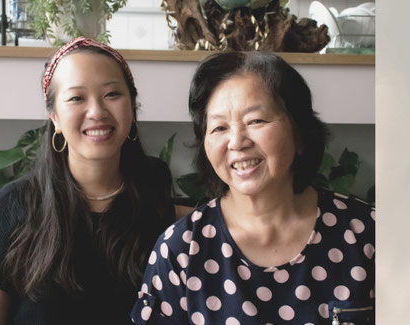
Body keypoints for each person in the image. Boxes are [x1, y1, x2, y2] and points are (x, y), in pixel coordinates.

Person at [130, 51, 375, 324]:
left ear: (300, 133)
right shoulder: (181, 250)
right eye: (219, 128)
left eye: (255, 121)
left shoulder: (367, 234)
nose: (237, 141)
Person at [0, 37, 183, 324]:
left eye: (112, 94)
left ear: (132, 107)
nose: (97, 112)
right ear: (54, 116)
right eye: (77, 98)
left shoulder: (160, 210)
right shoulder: (14, 207)